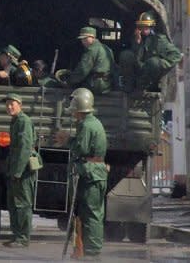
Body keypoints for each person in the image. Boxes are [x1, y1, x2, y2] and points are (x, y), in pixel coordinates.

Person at [54, 88, 108, 260]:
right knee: (90, 213)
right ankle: (87, 250)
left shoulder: (86, 125)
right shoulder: (94, 122)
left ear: (79, 109)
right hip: (94, 173)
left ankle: (92, 252)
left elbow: (81, 148)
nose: (73, 115)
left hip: (90, 173)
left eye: (74, 111)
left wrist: (67, 140)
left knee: (91, 214)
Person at [3, 93, 37, 248]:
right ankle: (17, 236)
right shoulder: (15, 121)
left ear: (20, 105)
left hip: (22, 170)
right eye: (8, 104)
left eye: (12, 104)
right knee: (13, 204)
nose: (9, 107)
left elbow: (24, 149)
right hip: (16, 169)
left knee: (22, 204)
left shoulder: (23, 121)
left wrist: (17, 172)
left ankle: (23, 238)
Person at [119, 11, 181, 92]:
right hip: (140, 71)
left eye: (146, 27)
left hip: (151, 76)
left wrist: (161, 63)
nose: (143, 29)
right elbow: (137, 59)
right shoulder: (137, 39)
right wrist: (138, 43)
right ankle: (129, 86)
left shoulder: (159, 40)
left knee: (153, 62)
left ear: (151, 27)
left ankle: (143, 87)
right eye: (141, 27)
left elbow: (176, 55)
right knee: (126, 55)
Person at [68, 27, 115, 94]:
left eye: (85, 38)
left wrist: (70, 80)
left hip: (96, 85)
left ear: (92, 37)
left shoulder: (92, 50)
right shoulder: (106, 48)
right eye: (82, 39)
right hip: (108, 84)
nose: (83, 41)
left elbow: (83, 70)